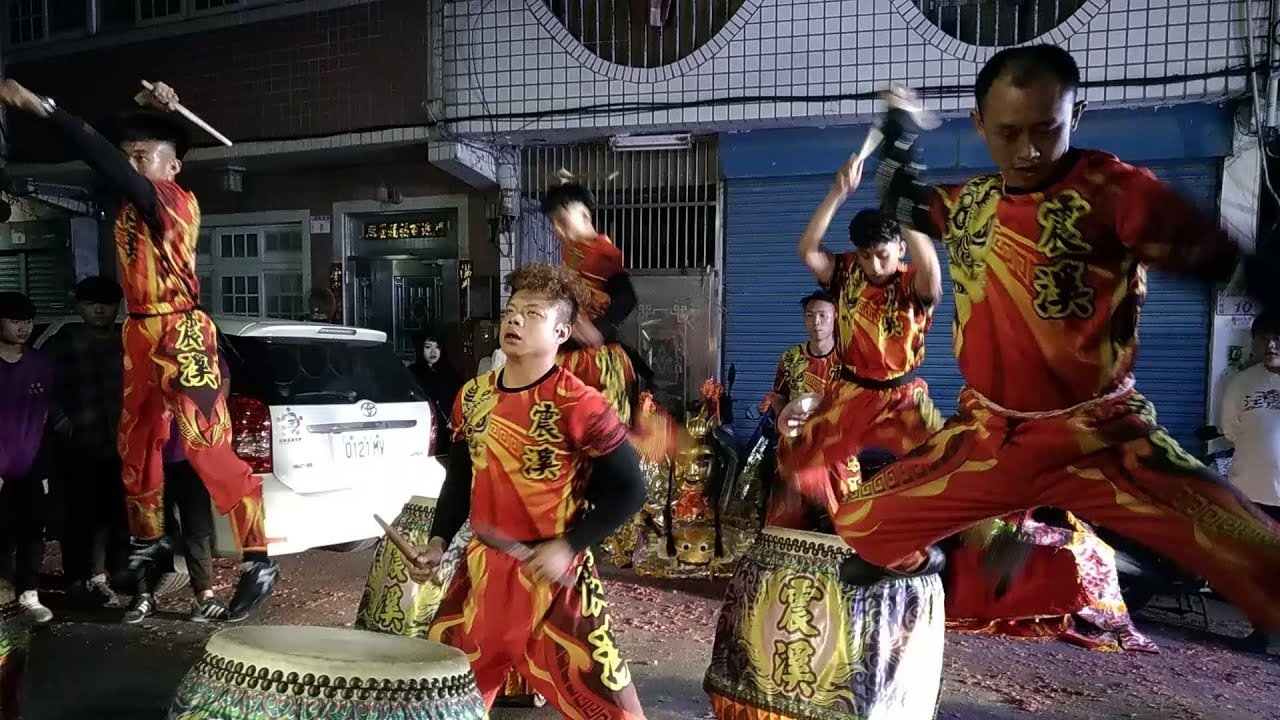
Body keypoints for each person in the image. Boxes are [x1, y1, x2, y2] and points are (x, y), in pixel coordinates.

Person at [830, 45, 1280, 634]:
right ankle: (935, 559)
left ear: (1078, 113)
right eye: (1009, 133)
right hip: (987, 437)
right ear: (980, 126)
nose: (1029, 151)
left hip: (1098, 438)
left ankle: (1116, 560)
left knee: (1260, 559)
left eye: (1048, 129)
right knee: (861, 523)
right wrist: (897, 132)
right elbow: (907, 199)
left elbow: (1217, 258)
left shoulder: (1115, 191)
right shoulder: (972, 204)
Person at [0, 78, 279, 621]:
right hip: (140, 333)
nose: (132, 163)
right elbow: (107, 148)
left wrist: (41, 107)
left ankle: (258, 559)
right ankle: (149, 557)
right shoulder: (131, 198)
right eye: (131, 156)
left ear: (172, 167)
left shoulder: (170, 200)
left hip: (182, 332)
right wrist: (137, 108)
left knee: (205, 447)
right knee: (137, 452)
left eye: (144, 156)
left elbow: (101, 156)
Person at [407, 263, 648, 717]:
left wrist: (569, 545)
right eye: (511, 310)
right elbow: (460, 480)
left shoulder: (581, 403)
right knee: (441, 705)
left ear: (561, 332)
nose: (514, 320)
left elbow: (631, 489)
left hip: (554, 581)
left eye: (532, 314)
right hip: (481, 577)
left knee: (614, 710)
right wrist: (438, 543)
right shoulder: (472, 396)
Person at [775, 185, 945, 530]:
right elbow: (808, 250)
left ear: (901, 248)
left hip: (902, 397)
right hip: (851, 393)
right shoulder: (848, 272)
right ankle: (849, 529)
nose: (874, 264)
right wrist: (838, 192)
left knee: (944, 467)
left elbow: (931, 266)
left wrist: (905, 211)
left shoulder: (913, 283)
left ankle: (915, 550)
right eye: (866, 255)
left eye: (882, 254)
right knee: (795, 460)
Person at [44, 276, 130, 609]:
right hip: (77, 447)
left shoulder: (126, 342)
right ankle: (78, 580)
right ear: (79, 306)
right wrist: (64, 424)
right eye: (91, 303)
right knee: (79, 517)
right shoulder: (62, 344)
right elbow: (42, 390)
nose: (99, 309)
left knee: (117, 515)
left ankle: (111, 574)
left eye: (106, 303)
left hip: (121, 446)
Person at [1220, 309, 1280, 652]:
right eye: (1263, 338)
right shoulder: (1242, 383)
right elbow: (1230, 430)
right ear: (1254, 344)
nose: (1270, 345)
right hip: (1252, 491)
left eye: (1277, 338)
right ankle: (1261, 634)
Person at [0, 291, 54, 624]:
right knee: (1, 536)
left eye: (28, 321)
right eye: (15, 320)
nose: (23, 328)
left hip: (31, 465)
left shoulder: (40, 364)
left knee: (33, 532)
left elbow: (44, 415)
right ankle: (4, 597)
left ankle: (29, 594)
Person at [409, 329, 463, 454]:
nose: (433, 352)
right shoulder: (412, 373)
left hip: (447, 430)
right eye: (428, 347)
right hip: (424, 427)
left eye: (437, 347)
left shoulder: (449, 373)